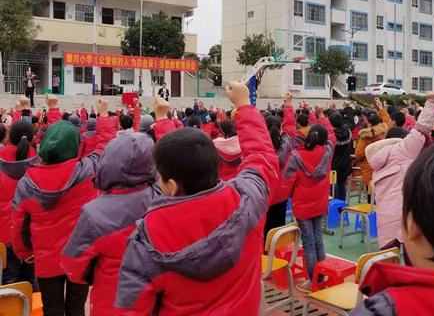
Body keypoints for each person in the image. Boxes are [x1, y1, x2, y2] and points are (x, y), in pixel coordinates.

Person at [115, 82, 278, 315]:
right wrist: (244, 105)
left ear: (171, 186)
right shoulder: (246, 198)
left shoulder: (147, 236)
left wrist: (162, 120)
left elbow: (131, 309)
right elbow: (261, 155)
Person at [351, 42, 434, 315]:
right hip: (401, 230)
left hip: (386, 224)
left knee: (395, 261)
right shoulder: (402, 150)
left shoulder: (386, 309)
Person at [11, 99, 116, 316]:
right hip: (80, 256)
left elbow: (18, 222)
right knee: (77, 308)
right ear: (75, 145)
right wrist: (104, 114)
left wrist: (23, 252)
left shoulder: (27, 182)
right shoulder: (87, 172)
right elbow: (105, 146)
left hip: (45, 258)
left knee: (52, 310)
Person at [61, 131, 160, 316]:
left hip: (112, 302)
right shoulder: (163, 197)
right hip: (155, 300)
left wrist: (91, 276)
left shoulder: (94, 212)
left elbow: (72, 263)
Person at [364, 93, 434, 261]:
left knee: (387, 261)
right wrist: (432, 104)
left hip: (385, 217)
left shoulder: (377, 164)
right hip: (407, 216)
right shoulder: (402, 150)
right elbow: (420, 130)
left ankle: (390, 287)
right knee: (414, 261)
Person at [284, 109, 336, 293]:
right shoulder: (328, 151)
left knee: (308, 242)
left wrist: (290, 195)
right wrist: (321, 116)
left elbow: (288, 181)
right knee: (318, 240)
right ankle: (321, 275)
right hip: (320, 203)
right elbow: (330, 134)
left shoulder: (296, 157)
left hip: (303, 205)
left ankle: (313, 279)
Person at [0, 121, 38, 286]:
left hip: (4, 236)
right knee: (33, 282)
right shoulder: (41, 165)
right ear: (33, 139)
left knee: (9, 285)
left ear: (8, 138)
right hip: (32, 235)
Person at [264, 93, 296, 236]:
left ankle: (265, 256)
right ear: (280, 128)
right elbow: (290, 126)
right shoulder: (287, 142)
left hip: (264, 195)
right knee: (277, 232)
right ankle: (276, 255)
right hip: (282, 193)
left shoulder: (260, 147)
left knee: (263, 231)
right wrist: (288, 105)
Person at [328, 111, 353, 201]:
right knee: (342, 186)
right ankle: (341, 207)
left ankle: (334, 208)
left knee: (333, 189)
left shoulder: (330, 135)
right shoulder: (348, 132)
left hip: (333, 164)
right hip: (346, 164)